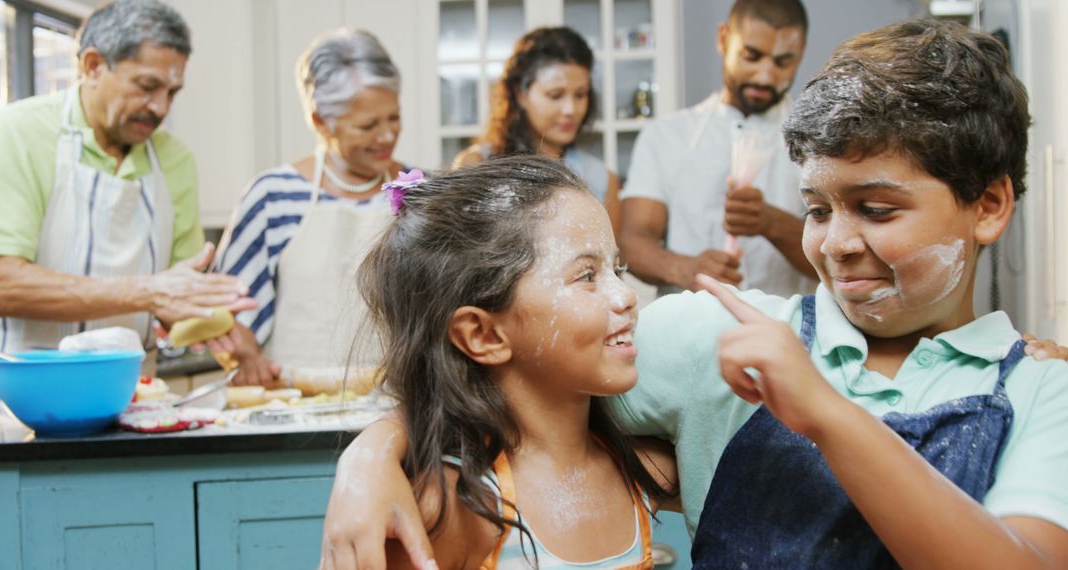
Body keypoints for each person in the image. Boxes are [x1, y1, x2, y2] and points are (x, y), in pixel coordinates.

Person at [320, 19, 1068, 569]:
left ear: (989, 205)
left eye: (876, 209)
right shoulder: (714, 335)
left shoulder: (1042, 390)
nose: (836, 242)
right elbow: (504, 388)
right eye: (815, 209)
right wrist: (371, 454)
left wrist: (826, 415)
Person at [324, 155, 675, 569]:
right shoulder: (456, 509)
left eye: (617, 268)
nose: (626, 295)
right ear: (483, 335)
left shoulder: (644, 470)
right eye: (586, 276)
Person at [0, 0, 251, 403]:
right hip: (19, 410)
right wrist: (148, 292)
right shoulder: (17, 134)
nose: (160, 107)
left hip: (133, 403)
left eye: (172, 92)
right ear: (93, 65)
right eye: (147, 87)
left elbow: (177, 297)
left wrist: (229, 333)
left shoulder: (174, 160)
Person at [211, 30, 405, 387]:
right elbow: (229, 311)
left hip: (398, 407)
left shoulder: (419, 194)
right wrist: (245, 356)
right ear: (319, 121)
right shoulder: (273, 195)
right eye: (367, 125)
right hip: (291, 402)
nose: (386, 136)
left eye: (393, 118)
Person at [620, 0, 815, 296]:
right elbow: (632, 242)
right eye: (752, 56)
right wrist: (683, 268)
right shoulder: (665, 136)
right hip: (687, 333)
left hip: (786, 334)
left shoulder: (821, 142)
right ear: (723, 39)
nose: (765, 76)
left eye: (782, 62)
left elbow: (841, 260)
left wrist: (772, 223)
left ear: (801, 54)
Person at [453, 27, 622, 235]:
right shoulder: (476, 164)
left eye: (580, 95)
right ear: (521, 94)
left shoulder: (601, 179)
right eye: (555, 95)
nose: (571, 109)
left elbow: (608, 263)